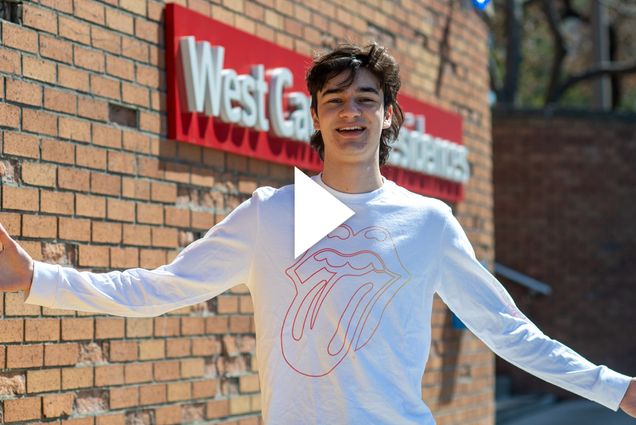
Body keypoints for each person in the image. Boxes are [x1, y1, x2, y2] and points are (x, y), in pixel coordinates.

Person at [0, 43, 634, 425]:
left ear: (388, 115)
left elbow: (507, 331)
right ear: (316, 117)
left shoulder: (428, 223)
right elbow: (162, 287)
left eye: (364, 99)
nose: (349, 112)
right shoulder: (270, 214)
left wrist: (616, 389)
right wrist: (38, 280)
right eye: (333, 100)